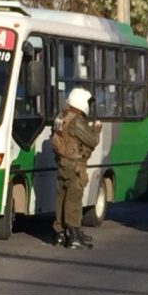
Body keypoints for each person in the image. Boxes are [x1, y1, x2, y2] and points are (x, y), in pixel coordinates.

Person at [51, 88, 102, 249]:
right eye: (87, 102)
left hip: (63, 162)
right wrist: (96, 130)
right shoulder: (76, 120)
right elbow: (92, 140)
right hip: (74, 165)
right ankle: (73, 235)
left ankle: (61, 233)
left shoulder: (61, 117)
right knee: (74, 197)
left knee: (63, 197)